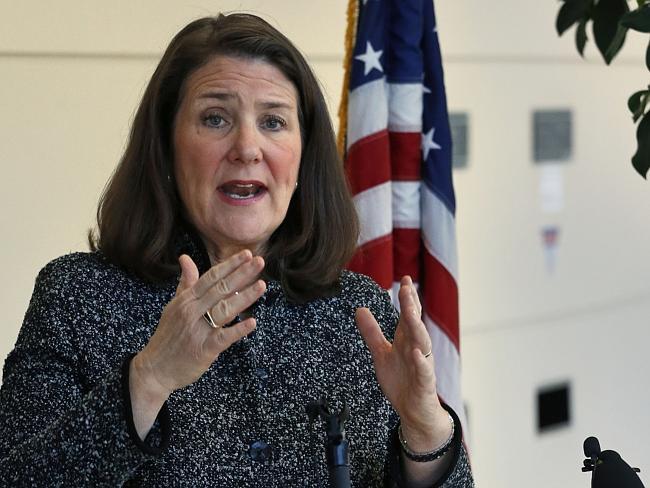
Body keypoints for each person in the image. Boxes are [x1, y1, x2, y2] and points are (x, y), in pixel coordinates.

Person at [0, 13, 474, 487]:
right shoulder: (77, 297)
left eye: (272, 121)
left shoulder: (357, 310)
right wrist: (148, 379)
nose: (247, 148)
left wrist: (425, 428)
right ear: (166, 146)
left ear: (304, 156)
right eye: (215, 118)